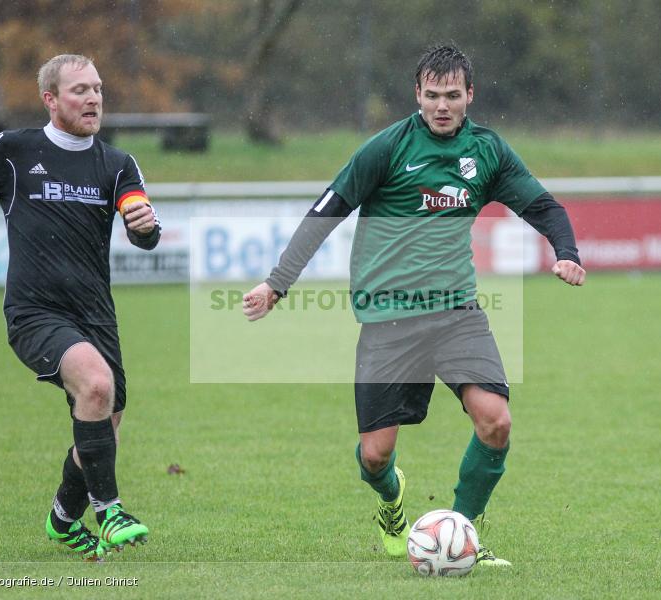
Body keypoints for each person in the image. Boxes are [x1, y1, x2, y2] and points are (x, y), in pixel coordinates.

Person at [243, 44, 585, 566]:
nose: (442, 105)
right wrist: (277, 284)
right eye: (432, 95)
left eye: (452, 95)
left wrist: (566, 253)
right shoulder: (387, 148)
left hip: (456, 312)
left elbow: (542, 205)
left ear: (470, 94)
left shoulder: (487, 152)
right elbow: (326, 211)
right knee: (375, 456)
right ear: (417, 95)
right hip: (388, 319)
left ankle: (462, 532)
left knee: (496, 421)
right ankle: (391, 498)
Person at [0, 54, 159, 562]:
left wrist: (145, 228)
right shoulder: (14, 150)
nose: (93, 99)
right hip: (34, 311)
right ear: (50, 99)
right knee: (95, 386)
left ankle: (63, 520)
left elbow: (144, 231)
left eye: (98, 89)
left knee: (103, 422)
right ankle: (109, 510)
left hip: (95, 314)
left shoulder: (118, 164)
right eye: (80, 91)